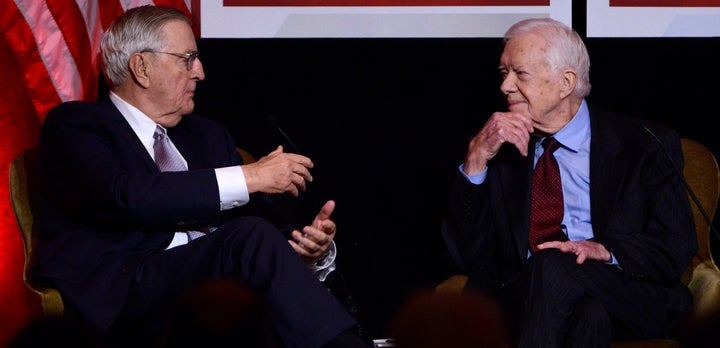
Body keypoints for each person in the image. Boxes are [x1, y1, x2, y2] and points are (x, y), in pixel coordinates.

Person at [34, 5, 368, 348]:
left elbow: (252, 229)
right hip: (126, 292)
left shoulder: (206, 135)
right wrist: (249, 175)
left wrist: (303, 247)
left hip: (214, 287)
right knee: (247, 239)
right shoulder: (77, 127)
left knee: (253, 243)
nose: (201, 72)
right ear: (142, 67)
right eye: (187, 58)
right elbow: (126, 194)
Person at [440, 17, 697, 347]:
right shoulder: (499, 150)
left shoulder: (644, 144)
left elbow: (674, 246)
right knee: (588, 316)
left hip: (623, 291)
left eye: (520, 73)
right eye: (504, 74)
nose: (505, 86)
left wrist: (604, 249)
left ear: (566, 83)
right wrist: (475, 160)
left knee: (558, 268)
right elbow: (465, 257)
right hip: (525, 299)